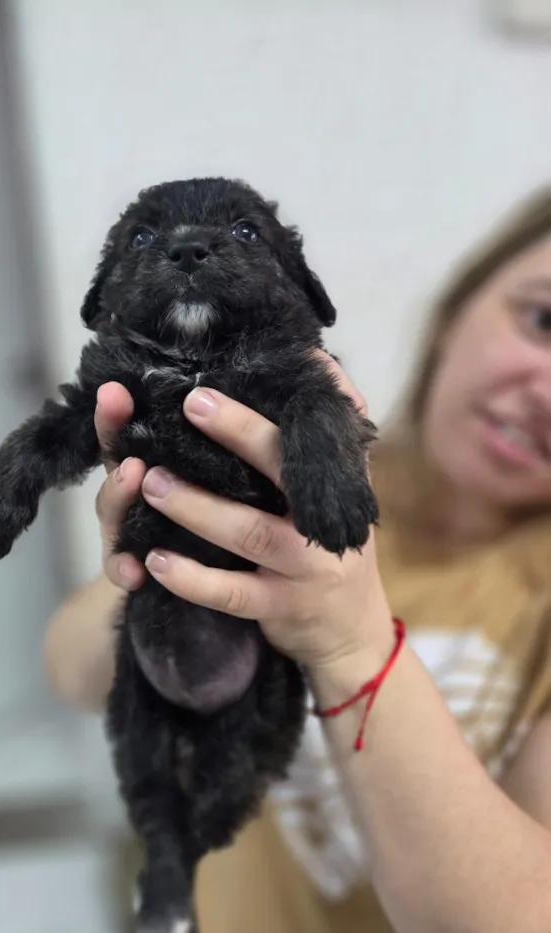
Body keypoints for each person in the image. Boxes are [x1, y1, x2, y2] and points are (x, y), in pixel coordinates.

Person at [44, 186, 551, 933]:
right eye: (541, 320)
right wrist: (148, 561)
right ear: (457, 308)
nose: (546, 392)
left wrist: (349, 644)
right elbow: (71, 668)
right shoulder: (283, 466)